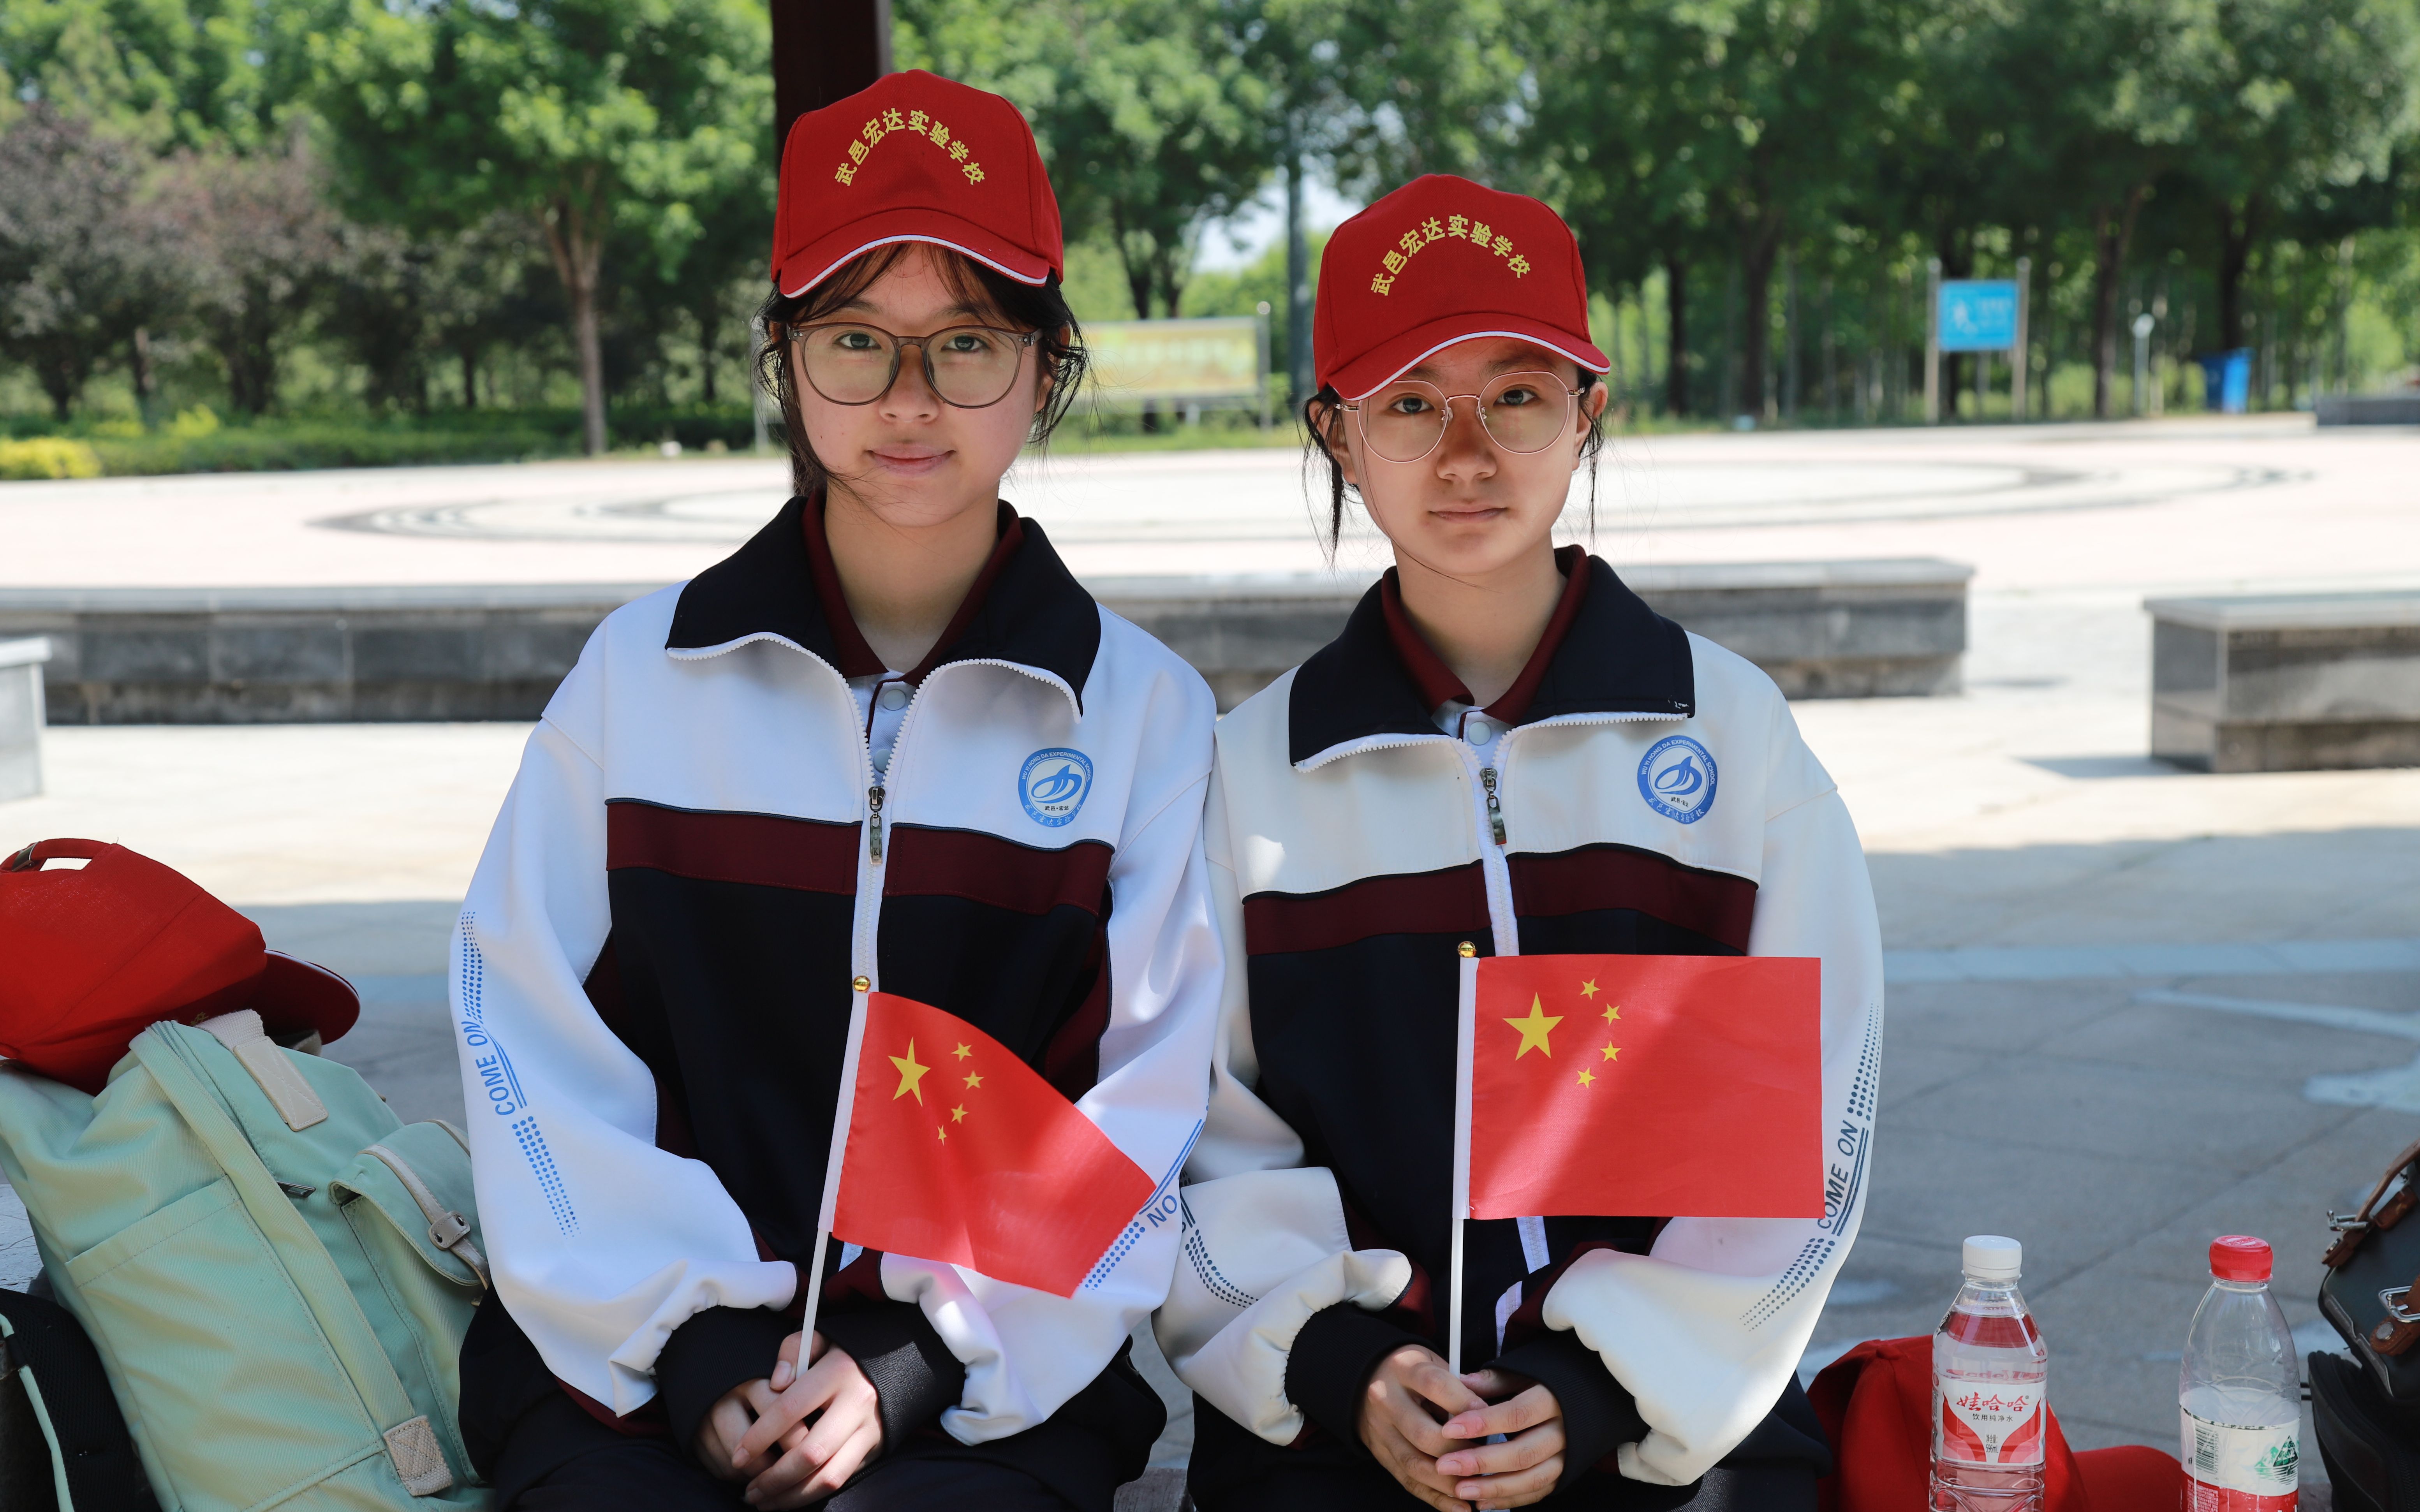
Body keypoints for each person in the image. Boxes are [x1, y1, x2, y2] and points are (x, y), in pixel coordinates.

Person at [449, 71, 1220, 1512]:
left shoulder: (1143, 715)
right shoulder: (638, 677)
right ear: (786, 358)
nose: (911, 399)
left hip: (984, 1390)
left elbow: (1148, 1098)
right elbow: (526, 1033)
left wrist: (915, 1357)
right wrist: (693, 1345)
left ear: (1047, 365)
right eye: (857, 339)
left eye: (968, 341)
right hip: (630, 1375)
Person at [1155, 175, 1883, 1512]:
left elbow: (1806, 1128)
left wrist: (1607, 1385)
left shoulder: (1732, 736)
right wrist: (1346, 1362)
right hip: (1340, 1436)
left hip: (1664, 1435)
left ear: (1589, 414)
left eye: (1518, 395)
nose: (1467, 454)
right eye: (1410, 404)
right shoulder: (1250, 771)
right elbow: (1202, 1131)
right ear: (1336, 433)